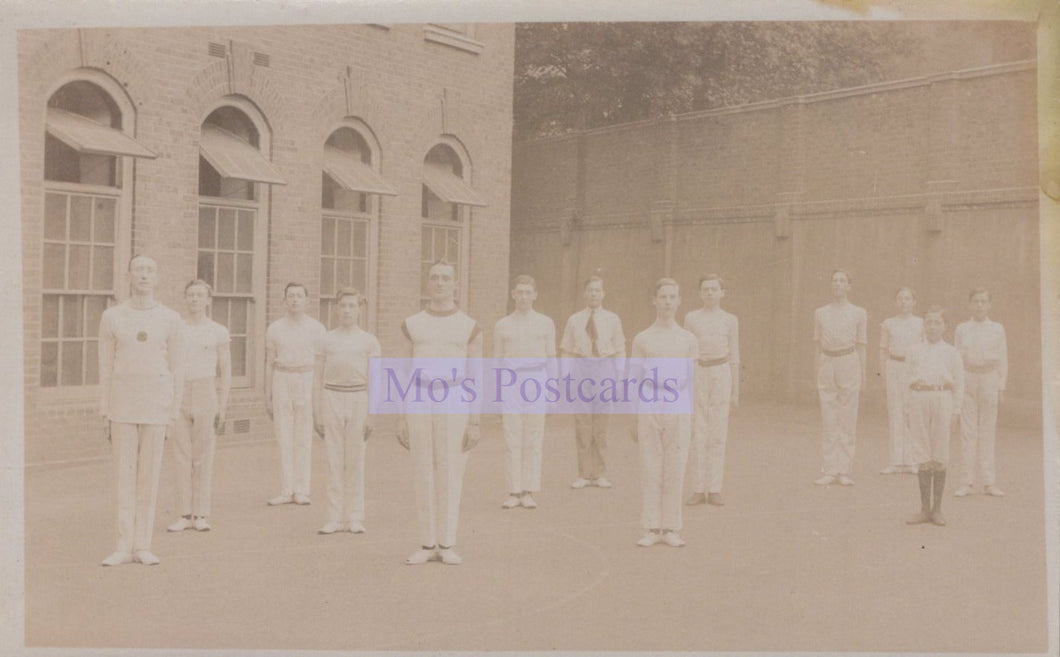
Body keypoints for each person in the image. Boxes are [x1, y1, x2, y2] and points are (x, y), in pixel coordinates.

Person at [98, 255, 184, 566]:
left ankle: (142, 545)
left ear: (157, 278)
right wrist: (105, 411)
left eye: (150, 270)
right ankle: (122, 546)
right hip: (122, 407)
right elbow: (105, 368)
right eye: (139, 270)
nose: (144, 275)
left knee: (149, 477)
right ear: (129, 276)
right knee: (124, 477)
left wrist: (172, 414)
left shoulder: (171, 319)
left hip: (156, 408)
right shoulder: (113, 317)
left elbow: (177, 370)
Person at [399, 260, 482, 565]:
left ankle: (446, 543)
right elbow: (405, 371)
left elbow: (475, 373)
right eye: (434, 278)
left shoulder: (469, 325)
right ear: (427, 283)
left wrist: (474, 420)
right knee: (423, 467)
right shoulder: (413, 323)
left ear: (455, 284)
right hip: (420, 396)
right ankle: (426, 542)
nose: (439, 283)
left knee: (450, 468)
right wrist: (402, 415)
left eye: (446, 278)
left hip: (455, 396)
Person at [630, 278, 698, 548]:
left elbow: (692, 380)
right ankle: (651, 527)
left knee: (675, 467)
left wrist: (690, 415)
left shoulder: (688, 339)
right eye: (663, 297)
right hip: (649, 401)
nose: (668, 302)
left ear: (679, 301)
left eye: (672, 297)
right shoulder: (642, 338)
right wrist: (634, 417)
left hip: (677, 402)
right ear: (654, 300)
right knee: (650, 465)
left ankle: (671, 527)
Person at [312, 288, 381, 535]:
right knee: (333, 459)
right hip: (332, 396)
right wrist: (317, 412)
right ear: (336, 309)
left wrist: (372, 413)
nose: (347, 311)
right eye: (343, 306)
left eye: (352, 306)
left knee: (355, 459)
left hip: (358, 397)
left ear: (360, 310)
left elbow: (376, 379)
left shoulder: (369, 340)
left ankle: (354, 516)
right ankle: (333, 517)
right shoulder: (326, 339)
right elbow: (317, 377)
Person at [167, 280, 231, 534]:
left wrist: (222, 405)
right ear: (185, 299)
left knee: (203, 456)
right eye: (190, 295)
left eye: (200, 295)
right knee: (181, 455)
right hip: (180, 391)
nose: (194, 299)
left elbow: (225, 370)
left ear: (208, 300)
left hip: (206, 391)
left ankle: (201, 513)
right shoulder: (176, 329)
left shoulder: (217, 331)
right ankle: (184, 513)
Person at [493, 275, 556, 510]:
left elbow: (551, 359)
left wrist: (552, 392)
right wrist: (497, 394)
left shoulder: (545, 323)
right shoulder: (503, 324)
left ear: (535, 295)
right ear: (513, 294)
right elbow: (497, 362)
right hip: (511, 380)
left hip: (536, 378)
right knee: (512, 436)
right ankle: (514, 490)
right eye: (520, 292)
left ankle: (529, 490)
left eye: (528, 292)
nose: (524, 297)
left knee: (533, 436)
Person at [560, 276, 626, 489]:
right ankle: (583, 474)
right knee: (582, 424)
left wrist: (619, 377)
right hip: (582, 368)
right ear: (584, 293)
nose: (593, 294)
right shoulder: (574, 320)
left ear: (603, 293)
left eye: (597, 290)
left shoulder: (612, 319)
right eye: (590, 290)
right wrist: (567, 378)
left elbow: (619, 349)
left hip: (604, 368)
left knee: (601, 425)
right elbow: (567, 350)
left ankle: (599, 474)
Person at [265, 283, 327, 506]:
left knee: (302, 437)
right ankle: (286, 489)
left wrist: (319, 395)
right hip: (281, 379)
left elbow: (321, 365)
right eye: (290, 296)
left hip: (307, 379)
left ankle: (302, 489)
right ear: (284, 301)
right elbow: (269, 363)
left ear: (307, 300)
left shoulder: (317, 329)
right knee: (284, 436)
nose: (294, 300)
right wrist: (268, 395)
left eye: (299, 296)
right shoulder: (275, 328)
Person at [683, 274, 739, 507]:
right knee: (698, 431)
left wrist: (735, 390)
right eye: (705, 289)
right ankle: (698, 488)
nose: (709, 293)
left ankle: (714, 488)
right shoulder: (691, 318)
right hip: (698, 372)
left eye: (714, 289)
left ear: (722, 293)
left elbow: (735, 354)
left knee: (717, 431)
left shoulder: (730, 320)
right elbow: (686, 352)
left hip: (721, 372)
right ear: (699, 293)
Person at [904, 306, 963, 526]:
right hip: (919, 398)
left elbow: (959, 382)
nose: (932, 326)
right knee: (921, 452)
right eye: (929, 322)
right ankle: (923, 509)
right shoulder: (914, 350)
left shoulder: (952, 352)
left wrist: (956, 409)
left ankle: (937, 509)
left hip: (942, 398)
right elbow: (907, 380)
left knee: (939, 452)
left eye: (937, 322)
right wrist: (908, 407)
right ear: (923, 325)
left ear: (945, 327)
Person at [812, 269, 867, 487]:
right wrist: (817, 370)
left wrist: (863, 375)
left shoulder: (859, 312)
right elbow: (816, 344)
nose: (838, 284)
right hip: (827, 361)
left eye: (842, 281)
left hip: (849, 360)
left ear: (849, 286)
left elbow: (862, 345)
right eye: (834, 280)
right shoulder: (820, 313)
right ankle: (829, 469)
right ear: (830, 285)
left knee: (847, 416)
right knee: (828, 416)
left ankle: (844, 469)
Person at [953, 288, 1008, 497]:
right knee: (968, 432)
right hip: (968, 378)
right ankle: (966, 482)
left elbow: (1003, 358)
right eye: (976, 301)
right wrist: (958, 386)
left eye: (983, 301)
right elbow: (956, 359)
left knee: (987, 431)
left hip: (989, 379)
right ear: (969, 304)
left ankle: (989, 482)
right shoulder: (962, 329)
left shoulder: (997, 329)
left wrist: (1001, 385)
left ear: (989, 305)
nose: (979, 305)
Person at [879, 287, 924, 475]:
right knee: (895, 411)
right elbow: (882, 350)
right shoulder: (888, 324)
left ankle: (912, 461)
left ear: (914, 302)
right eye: (900, 298)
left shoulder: (921, 323)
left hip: (912, 369)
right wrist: (882, 374)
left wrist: (922, 373)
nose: (904, 302)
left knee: (911, 413)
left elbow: (925, 350)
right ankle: (896, 461)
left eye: (908, 298)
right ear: (895, 302)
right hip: (893, 366)